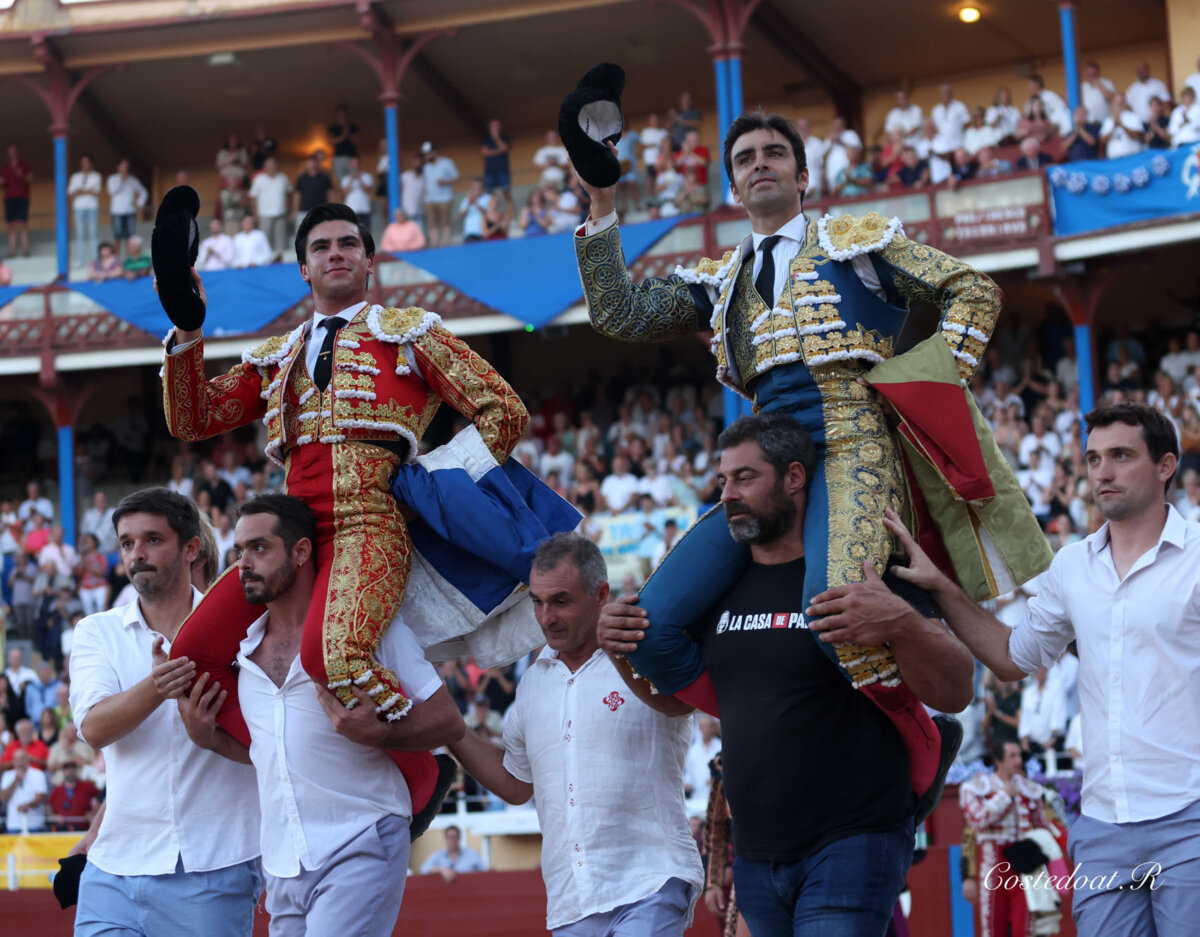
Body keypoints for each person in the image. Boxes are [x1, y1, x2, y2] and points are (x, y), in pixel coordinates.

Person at [573, 109, 1046, 803]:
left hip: (854, 440)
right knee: (651, 628)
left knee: (837, 613)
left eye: (773, 152)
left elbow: (971, 290)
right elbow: (620, 313)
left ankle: (923, 734)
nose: (759, 163)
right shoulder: (723, 279)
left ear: (802, 174)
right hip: (766, 461)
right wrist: (603, 203)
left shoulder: (860, 244)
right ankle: (758, 719)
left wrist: (927, 387)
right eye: (745, 158)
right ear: (733, 183)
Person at [160, 202, 529, 811]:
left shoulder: (410, 334)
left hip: (370, 520)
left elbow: (503, 409)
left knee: (335, 656)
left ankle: (417, 776)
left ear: (370, 262)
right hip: (288, 531)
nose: (336, 253)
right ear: (303, 269)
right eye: (322, 246)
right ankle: (290, 757)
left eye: (348, 244)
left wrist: (440, 489)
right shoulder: (277, 356)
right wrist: (188, 331)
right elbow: (193, 418)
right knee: (192, 653)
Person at [873, 404, 1200, 937]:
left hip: (1190, 818)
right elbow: (1011, 656)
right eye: (1094, 458)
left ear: (1166, 466)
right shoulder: (1071, 566)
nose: (1103, 472)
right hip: (1101, 824)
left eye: (1121, 456)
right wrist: (938, 586)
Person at [176, 495, 464, 936]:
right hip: (283, 860)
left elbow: (449, 722)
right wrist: (209, 739)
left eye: (259, 548)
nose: (243, 565)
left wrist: (379, 733)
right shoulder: (241, 656)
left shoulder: (369, 633)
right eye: (239, 552)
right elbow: (273, 756)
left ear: (301, 552)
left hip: (361, 836)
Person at [447, 533, 704, 936]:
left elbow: (684, 702)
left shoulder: (648, 649)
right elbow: (517, 784)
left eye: (561, 601)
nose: (546, 617)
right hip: (572, 901)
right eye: (537, 601)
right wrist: (454, 731)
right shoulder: (533, 684)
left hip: (650, 879)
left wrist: (623, 650)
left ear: (601, 594)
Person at [68, 488, 261, 936]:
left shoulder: (251, 630)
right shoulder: (96, 632)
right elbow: (94, 728)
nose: (137, 554)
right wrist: (159, 687)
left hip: (214, 866)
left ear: (191, 547)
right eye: (127, 542)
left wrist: (208, 736)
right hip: (112, 868)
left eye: (153, 539)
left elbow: (271, 747)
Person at [960, 740, 1057, 937]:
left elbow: (1044, 828)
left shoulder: (1031, 789)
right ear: (998, 760)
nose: (1018, 760)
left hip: (1026, 865)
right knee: (994, 925)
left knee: (1027, 926)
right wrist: (1004, 796)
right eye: (1012, 756)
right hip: (993, 863)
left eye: (1019, 755)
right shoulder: (977, 788)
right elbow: (977, 823)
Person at [249, 157, 292, 261]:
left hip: (281, 213)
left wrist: (289, 209)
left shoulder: (283, 177)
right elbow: (253, 197)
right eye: (269, 165)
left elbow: (289, 193)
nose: (272, 167)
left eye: (274, 164)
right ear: (265, 167)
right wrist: (255, 214)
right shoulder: (258, 179)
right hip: (264, 215)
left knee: (281, 240)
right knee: (265, 240)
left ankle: (280, 260)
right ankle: (266, 260)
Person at [106, 159, 148, 256]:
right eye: (123, 166)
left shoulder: (133, 180)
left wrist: (139, 202)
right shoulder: (113, 179)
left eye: (127, 166)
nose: (125, 168)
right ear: (118, 167)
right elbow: (112, 191)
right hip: (116, 211)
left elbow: (143, 191)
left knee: (130, 238)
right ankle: (116, 260)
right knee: (117, 237)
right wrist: (122, 180)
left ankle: (128, 261)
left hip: (130, 212)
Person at [420, 142, 459, 247]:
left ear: (434, 152)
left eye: (428, 154)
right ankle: (434, 247)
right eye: (425, 154)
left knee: (445, 223)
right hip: (430, 199)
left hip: (445, 198)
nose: (427, 156)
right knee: (432, 225)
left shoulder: (447, 163)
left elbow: (456, 178)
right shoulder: (426, 167)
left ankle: (446, 245)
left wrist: (445, 182)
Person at [68, 154, 103, 268]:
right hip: (78, 207)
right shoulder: (75, 176)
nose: (84, 165)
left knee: (93, 233)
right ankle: (80, 259)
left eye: (87, 162)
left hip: (92, 207)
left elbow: (96, 191)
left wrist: (80, 191)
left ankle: (94, 259)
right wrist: (88, 190)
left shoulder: (96, 176)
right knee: (80, 234)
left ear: (91, 164)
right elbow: (70, 193)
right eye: (83, 163)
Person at [1, 748, 47, 833]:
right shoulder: (7, 775)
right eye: (17, 759)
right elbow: (3, 797)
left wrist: (27, 805)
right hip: (14, 825)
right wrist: (16, 780)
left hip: (35, 824)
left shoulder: (38, 774)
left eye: (22, 758)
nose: (20, 762)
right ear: (13, 761)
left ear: (28, 759)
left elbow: (40, 798)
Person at [420, 825, 487, 881]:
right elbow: (424, 869)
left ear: (459, 838)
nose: (452, 840)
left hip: (469, 892)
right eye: (450, 837)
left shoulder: (472, 854)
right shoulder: (437, 855)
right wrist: (441, 869)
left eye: (455, 837)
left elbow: (485, 871)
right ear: (445, 839)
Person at [1, 143, 33, 259]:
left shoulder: (25, 165)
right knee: (11, 225)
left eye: (14, 150)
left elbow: (30, 179)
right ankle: (12, 251)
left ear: (17, 151)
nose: (12, 152)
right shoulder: (5, 167)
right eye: (10, 150)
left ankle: (25, 250)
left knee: (23, 223)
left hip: (22, 197)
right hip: (9, 198)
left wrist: (21, 175)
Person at [327, 104, 359, 183]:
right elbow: (331, 142)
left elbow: (356, 141)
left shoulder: (352, 127)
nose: (342, 116)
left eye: (343, 114)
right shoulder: (333, 128)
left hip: (351, 157)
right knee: (341, 181)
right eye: (340, 114)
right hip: (338, 157)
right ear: (337, 115)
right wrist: (343, 136)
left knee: (354, 179)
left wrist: (348, 133)